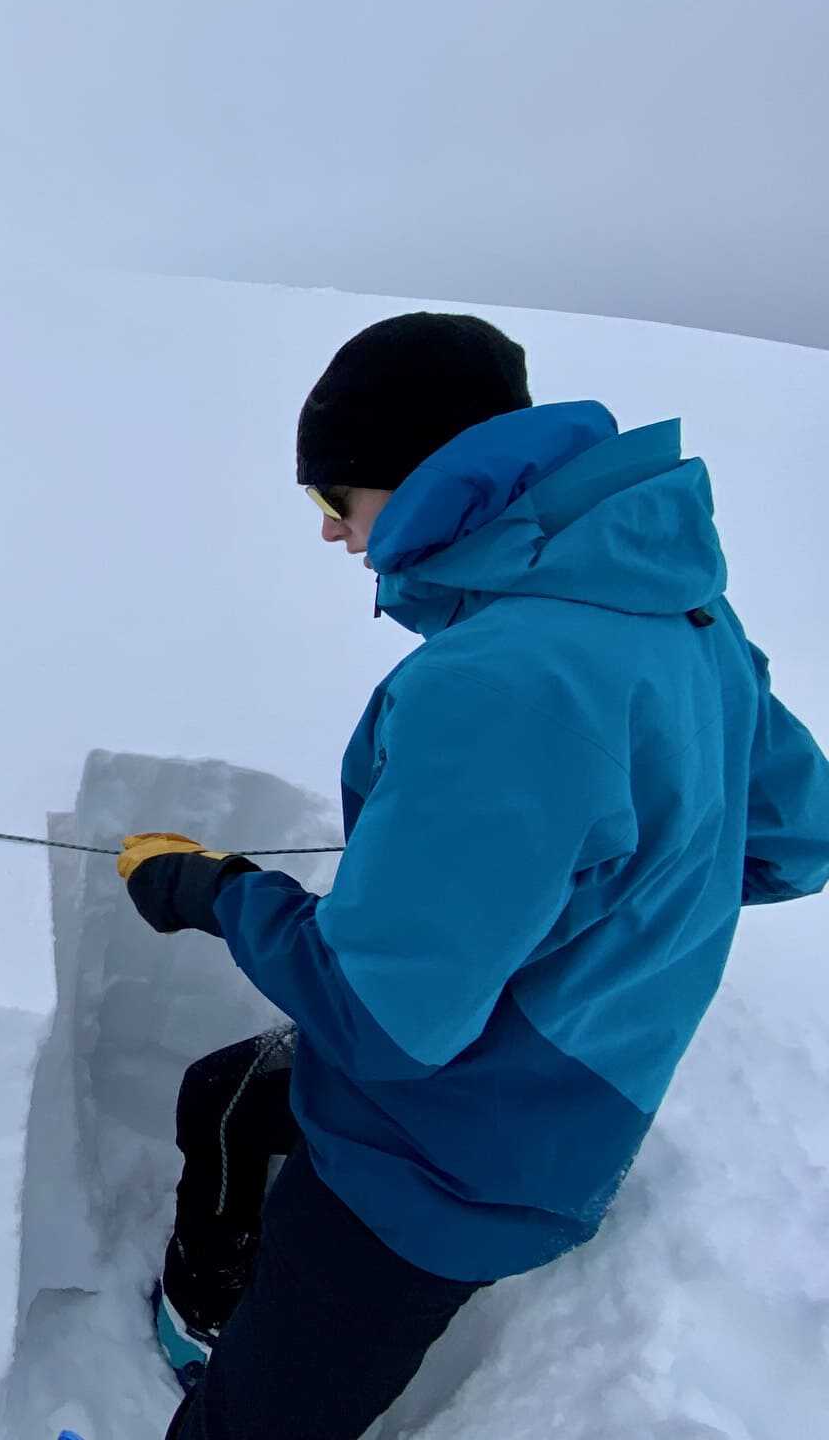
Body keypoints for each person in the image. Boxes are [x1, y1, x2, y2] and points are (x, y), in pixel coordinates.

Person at [116, 313, 829, 1440]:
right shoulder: (670, 604)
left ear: (419, 478)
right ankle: (214, 1321)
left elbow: (379, 1021)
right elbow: (793, 836)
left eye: (334, 496)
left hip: (440, 1165)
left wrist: (211, 891)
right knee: (229, 1095)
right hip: (539, 1090)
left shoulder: (503, 681)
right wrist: (583, 907)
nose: (331, 530)